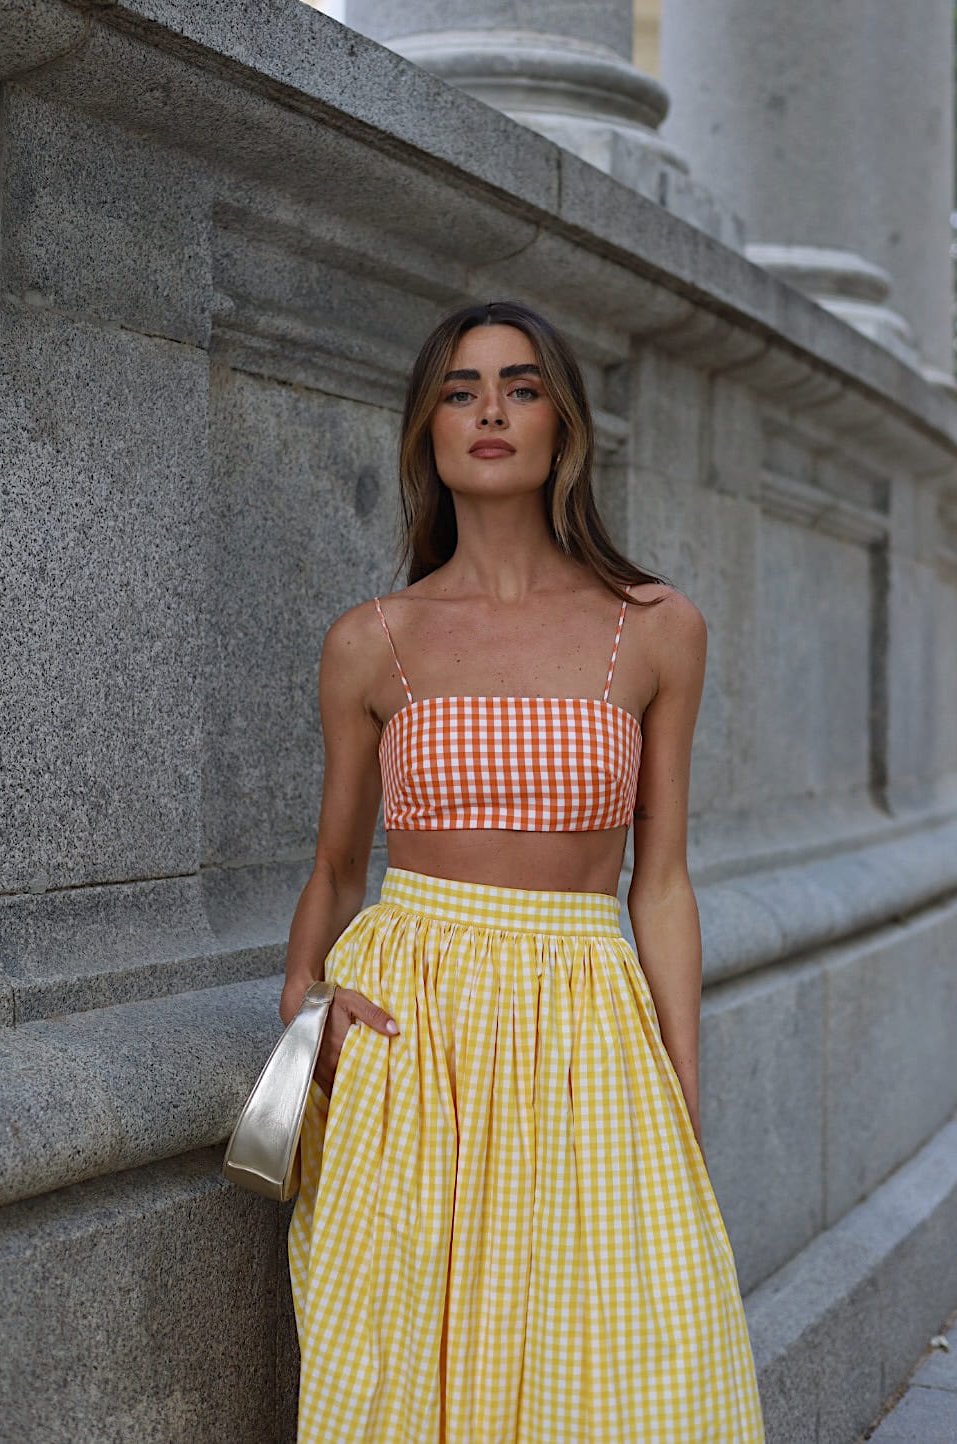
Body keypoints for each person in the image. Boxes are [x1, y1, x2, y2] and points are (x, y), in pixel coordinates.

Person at [282, 300, 765, 1442]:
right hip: (412, 1029)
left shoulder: (654, 629)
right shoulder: (371, 639)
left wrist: (682, 1085)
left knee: (631, 1368)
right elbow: (337, 866)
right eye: (460, 390)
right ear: (427, 431)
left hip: (587, 1021)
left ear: (565, 426)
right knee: (410, 1367)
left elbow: (662, 878)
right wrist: (306, 1009)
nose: (490, 410)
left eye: (520, 386)